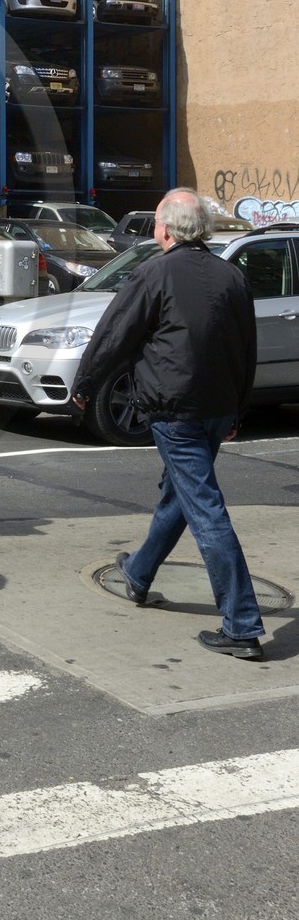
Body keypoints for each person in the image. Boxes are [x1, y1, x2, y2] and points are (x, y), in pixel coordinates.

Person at [71, 188, 266, 660]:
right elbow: (246, 349)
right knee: (180, 495)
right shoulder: (231, 276)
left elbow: (115, 333)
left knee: (205, 509)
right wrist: (237, 408)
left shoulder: (155, 272)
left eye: (156, 221)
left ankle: (241, 625)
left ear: (166, 229)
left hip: (175, 411)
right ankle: (138, 574)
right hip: (216, 409)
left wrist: (85, 384)